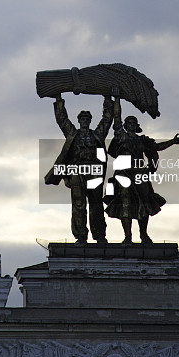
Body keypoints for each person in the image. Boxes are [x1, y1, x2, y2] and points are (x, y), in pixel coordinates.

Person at [105, 92, 179, 244]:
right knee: (125, 203)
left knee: (144, 203)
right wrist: (117, 99)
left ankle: (143, 235)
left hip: (140, 174)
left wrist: (172, 142)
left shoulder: (142, 140)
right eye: (128, 123)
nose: (130, 125)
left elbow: (157, 147)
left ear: (137, 126)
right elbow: (116, 118)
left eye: (133, 123)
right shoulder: (121, 136)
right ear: (125, 125)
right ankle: (128, 236)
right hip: (123, 174)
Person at [45, 94, 114, 244]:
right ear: (79, 121)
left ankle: (100, 235)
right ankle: (81, 235)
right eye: (82, 119)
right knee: (78, 204)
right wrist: (58, 100)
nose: (85, 121)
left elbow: (107, 120)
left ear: (90, 121)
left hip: (94, 172)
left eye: (87, 119)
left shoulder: (97, 135)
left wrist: (108, 99)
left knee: (96, 203)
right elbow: (62, 120)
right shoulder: (72, 134)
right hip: (77, 171)